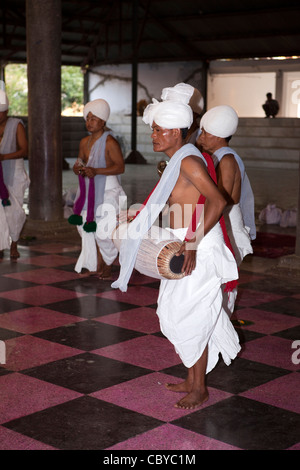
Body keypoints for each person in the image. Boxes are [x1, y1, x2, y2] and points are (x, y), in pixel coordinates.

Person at [112, 89, 240, 410]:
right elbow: (185, 206)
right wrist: (141, 218)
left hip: (200, 245)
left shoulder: (189, 161)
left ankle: (200, 389)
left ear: (175, 131)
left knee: (188, 313)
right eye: (152, 129)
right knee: (184, 311)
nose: (153, 135)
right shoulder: (178, 160)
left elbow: (218, 200)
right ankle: (192, 380)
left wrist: (193, 242)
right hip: (187, 240)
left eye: (158, 129)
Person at [198, 105, 255, 316]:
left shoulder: (227, 159)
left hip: (227, 221)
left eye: (205, 132)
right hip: (219, 219)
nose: (201, 136)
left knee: (223, 274)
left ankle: (222, 326)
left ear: (217, 135)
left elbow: (222, 198)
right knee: (213, 275)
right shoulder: (216, 156)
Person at [69, 98, 126, 279]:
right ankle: (92, 263)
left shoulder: (110, 142)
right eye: (87, 118)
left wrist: (97, 171)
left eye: (93, 118)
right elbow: (80, 160)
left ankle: (108, 262)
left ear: (103, 121)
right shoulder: (84, 141)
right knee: (84, 228)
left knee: (103, 231)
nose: (89, 122)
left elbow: (120, 167)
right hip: (88, 192)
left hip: (109, 191)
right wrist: (77, 167)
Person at [0, 89, 29, 260]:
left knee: (14, 211)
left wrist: (4, 157)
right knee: (0, 212)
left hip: (14, 174)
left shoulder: (16, 125)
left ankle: (14, 243)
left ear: (7, 111)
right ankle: (1, 243)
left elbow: (24, 150)